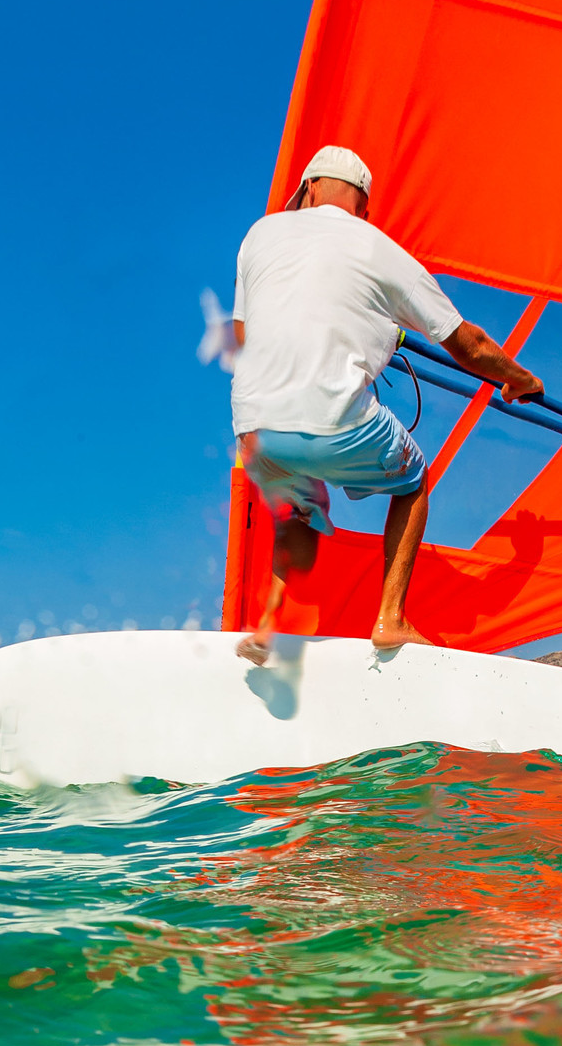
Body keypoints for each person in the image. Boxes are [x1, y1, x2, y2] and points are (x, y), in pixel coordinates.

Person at [228, 146, 543, 661]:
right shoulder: (378, 247)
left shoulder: (259, 235)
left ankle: (268, 623)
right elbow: (469, 344)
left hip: (253, 427)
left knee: (302, 504)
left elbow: (246, 332)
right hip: (331, 420)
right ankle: (390, 618)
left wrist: (365, 328)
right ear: (363, 207)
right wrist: (519, 378)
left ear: (308, 189)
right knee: (414, 482)